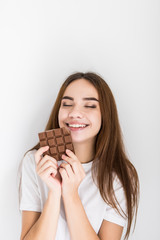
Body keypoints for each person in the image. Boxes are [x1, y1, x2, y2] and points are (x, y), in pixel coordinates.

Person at [19, 72, 139, 240]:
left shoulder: (119, 175)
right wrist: (54, 192)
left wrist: (71, 194)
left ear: (105, 115)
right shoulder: (35, 162)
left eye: (90, 106)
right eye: (67, 104)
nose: (75, 113)